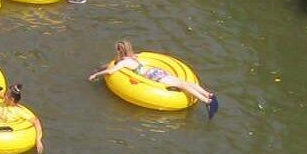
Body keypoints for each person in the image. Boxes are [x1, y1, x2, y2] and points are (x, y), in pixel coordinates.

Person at [89, 40, 219, 117]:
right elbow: (140, 56)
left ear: (119, 51)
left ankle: (206, 100)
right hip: (155, 71)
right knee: (184, 82)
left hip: (152, 76)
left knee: (182, 85)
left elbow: (111, 70)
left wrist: (97, 74)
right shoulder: (134, 56)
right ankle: (208, 94)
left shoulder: (123, 62)